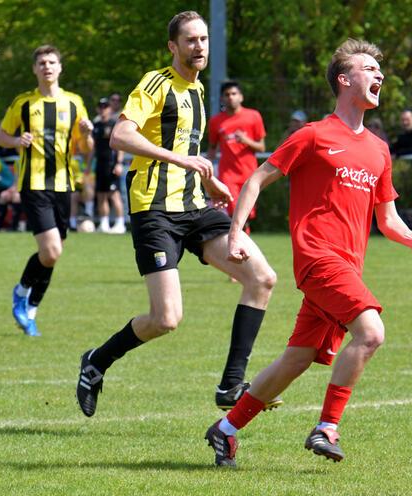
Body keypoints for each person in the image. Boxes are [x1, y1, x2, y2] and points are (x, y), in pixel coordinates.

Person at [204, 38, 412, 468]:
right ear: (345, 80)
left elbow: (387, 219)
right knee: (371, 333)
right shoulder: (313, 135)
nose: (379, 75)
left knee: (299, 357)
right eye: (369, 69)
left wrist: (411, 238)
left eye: (379, 70)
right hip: (317, 258)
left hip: (349, 265)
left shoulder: (379, 149)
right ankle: (327, 426)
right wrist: (235, 234)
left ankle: (226, 430)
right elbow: (254, 180)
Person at [75, 11, 280, 420]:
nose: (199, 46)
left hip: (196, 207)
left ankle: (230, 386)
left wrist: (209, 182)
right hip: (154, 209)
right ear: (173, 47)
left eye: (203, 39)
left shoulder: (200, 93)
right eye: (190, 40)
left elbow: (190, 154)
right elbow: (120, 135)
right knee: (166, 319)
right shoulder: (156, 83)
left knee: (262, 277)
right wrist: (183, 161)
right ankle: (96, 361)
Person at [0, 44, 94, 337]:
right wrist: (16, 141)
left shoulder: (74, 103)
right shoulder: (24, 103)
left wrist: (88, 135)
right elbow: (1, 136)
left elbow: (84, 149)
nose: (47, 67)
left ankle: (32, 310)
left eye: (52, 62)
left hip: (63, 185)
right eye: (42, 63)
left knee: (53, 252)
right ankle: (21, 290)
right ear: (35, 69)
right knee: (50, 250)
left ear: (60, 68)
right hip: (33, 184)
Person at [207, 81, 266, 232]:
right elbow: (212, 149)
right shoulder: (216, 121)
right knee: (235, 212)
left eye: (234, 94)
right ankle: (239, 242)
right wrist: (205, 171)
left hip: (249, 173)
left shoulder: (253, 116)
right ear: (222, 99)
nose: (230, 97)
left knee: (246, 215)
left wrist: (245, 140)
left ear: (241, 97)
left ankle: (241, 242)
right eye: (227, 95)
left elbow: (261, 147)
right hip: (228, 175)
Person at [92, 97, 126, 233]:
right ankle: (104, 223)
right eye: (100, 106)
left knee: (114, 194)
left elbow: (120, 146)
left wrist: (119, 163)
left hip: (111, 164)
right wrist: (89, 167)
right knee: (101, 195)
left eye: (105, 106)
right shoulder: (96, 126)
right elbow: (93, 148)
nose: (103, 109)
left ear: (110, 109)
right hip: (99, 164)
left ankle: (120, 223)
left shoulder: (114, 124)